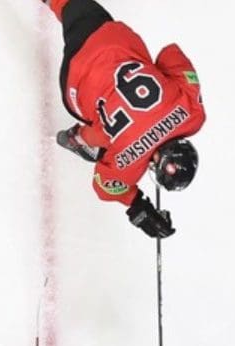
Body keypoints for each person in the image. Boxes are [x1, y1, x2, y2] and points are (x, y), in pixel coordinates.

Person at [45, 0, 202, 240]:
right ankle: (79, 140)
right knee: (103, 139)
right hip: (75, 83)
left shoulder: (193, 113)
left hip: (109, 40)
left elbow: (171, 53)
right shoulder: (128, 164)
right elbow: (104, 187)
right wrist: (139, 207)